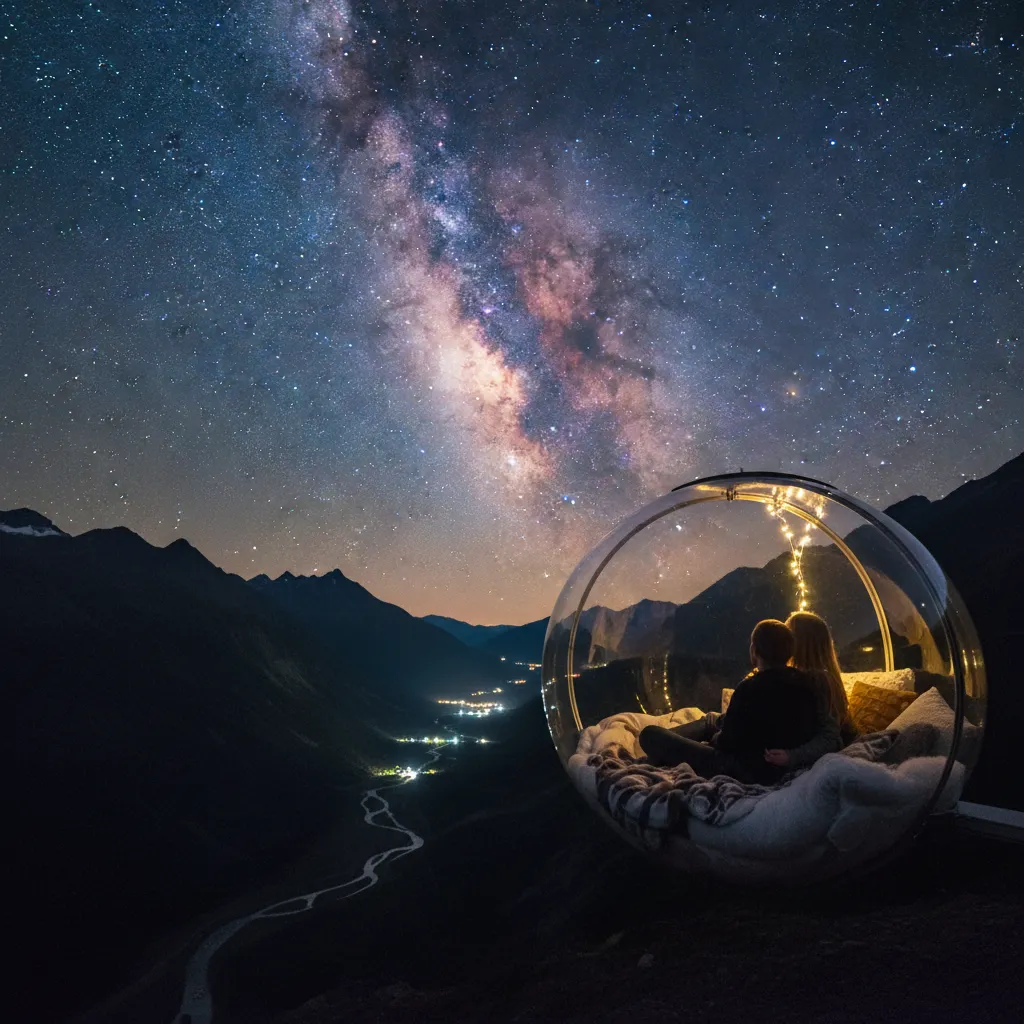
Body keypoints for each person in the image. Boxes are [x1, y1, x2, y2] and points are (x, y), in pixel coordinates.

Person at [639, 619, 819, 784]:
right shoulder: (807, 684)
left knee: (650, 734)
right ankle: (669, 747)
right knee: (711, 719)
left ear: (754, 650)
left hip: (740, 768)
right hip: (770, 763)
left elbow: (727, 743)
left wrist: (716, 738)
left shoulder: (749, 688)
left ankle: (662, 749)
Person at [763, 611, 857, 770]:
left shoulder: (818, 681)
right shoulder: (806, 679)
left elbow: (830, 738)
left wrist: (791, 756)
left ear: (796, 643)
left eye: (785, 635)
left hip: (798, 762)